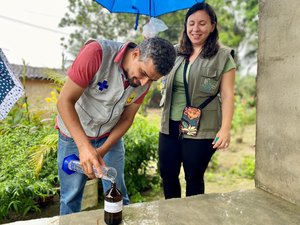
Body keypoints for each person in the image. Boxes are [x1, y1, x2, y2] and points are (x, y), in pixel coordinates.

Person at [56, 37, 176, 215]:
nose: (144, 84)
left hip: (109, 136)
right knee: (70, 197)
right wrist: (84, 147)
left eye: (152, 80)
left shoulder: (144, 81)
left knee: (118, 191)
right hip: (73, 135)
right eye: (143, 73)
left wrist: (103, 149)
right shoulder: (96, 53)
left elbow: (127, 118)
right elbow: (64, 102)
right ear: (136, 54)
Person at [158, 2, 236, 199]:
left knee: (193, 177)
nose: (196, 29)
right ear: (185, 26)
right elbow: (152, 69)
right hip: (170, 125)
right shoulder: (174, 52)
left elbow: (227, 95)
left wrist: (225, 128)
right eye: (191, 23)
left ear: (212, 26)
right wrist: (149, 41)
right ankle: (172, 217)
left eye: (202, 23)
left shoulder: (223, 56)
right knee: (168, 175)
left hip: (201, 128)